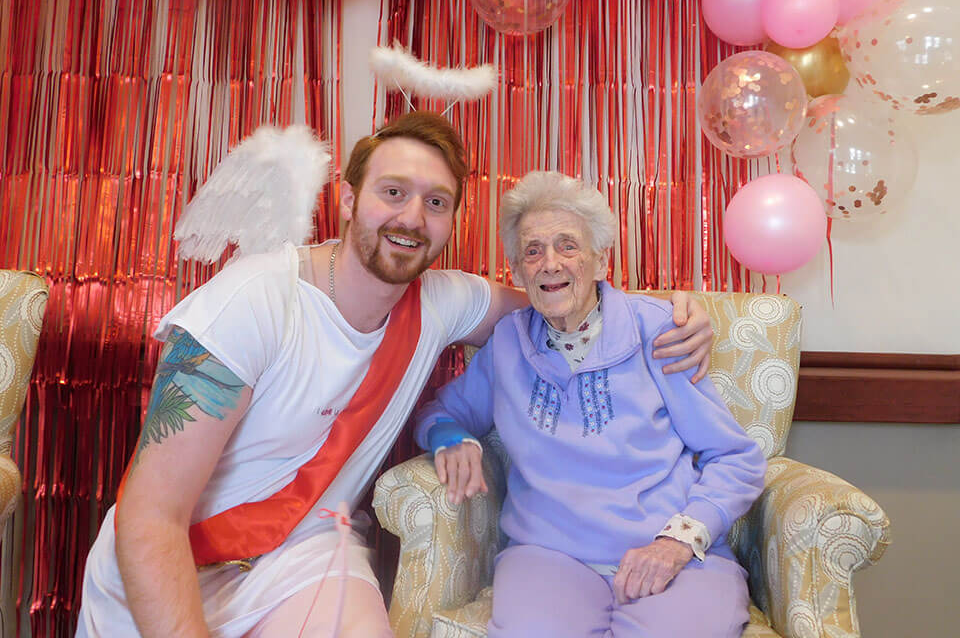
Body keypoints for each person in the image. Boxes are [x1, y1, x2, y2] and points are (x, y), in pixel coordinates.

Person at [76, 113, 715, 638]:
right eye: (393, 192)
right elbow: (150, 516)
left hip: (301, 557)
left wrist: (679, 312)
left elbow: (569, 298)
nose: (412, 217)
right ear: (349, 198)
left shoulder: (442, 301)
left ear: (450, 224)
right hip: (176, 561)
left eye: (435, 203)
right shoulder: (251, 303)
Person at [414, 171, 766, 638]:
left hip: (668, 550)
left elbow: (735, 457)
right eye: (533, 251)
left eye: (568, 246)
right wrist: (450, 438)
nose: (550, 263)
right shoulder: (507, 343)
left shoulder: (661, 332)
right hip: (548, 557)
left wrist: (680, 540)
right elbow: (439, 412)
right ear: (518, 273)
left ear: (600, 261)